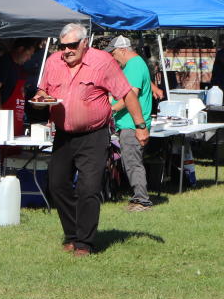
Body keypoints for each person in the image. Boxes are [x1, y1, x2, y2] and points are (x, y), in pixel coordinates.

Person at [34, 24, 149, 256]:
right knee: (56, 185)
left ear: (84, 43)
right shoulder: (53, 61)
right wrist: (40, 98)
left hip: (94, 135)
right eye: (63, 46)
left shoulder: (102, 61)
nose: (66, 50)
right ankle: (72, 233)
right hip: (63, 135)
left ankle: (84, 243)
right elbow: (42, 91)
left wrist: (140, 126)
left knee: (89, 188)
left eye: (72, 46)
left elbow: (126, 93)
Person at [108, 36, 154, 211]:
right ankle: (138, 199)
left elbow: (130, 96)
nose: (113, 59)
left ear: (122, 50)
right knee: (131, 162)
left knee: (133, 163)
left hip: (132, 124)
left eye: (113, 54)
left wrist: (110, 109)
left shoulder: (134, 65)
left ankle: (142, 201)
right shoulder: (135, 64)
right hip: (129, 123)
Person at [0, 38, 40, 136]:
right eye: (28, 54)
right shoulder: (5, 61)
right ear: (20, 49)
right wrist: (0, 112)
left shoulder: (17, 66)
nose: (29, 59)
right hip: (2, 116)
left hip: (12, 114)